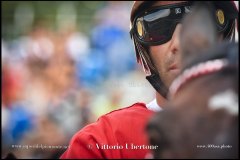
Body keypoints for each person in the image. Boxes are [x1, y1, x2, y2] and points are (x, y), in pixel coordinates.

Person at [60, 1, 238, 159]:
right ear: (143, 51)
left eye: (201, 24)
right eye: (158, 25)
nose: (180, 43)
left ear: (226, 33)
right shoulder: (101, 144)